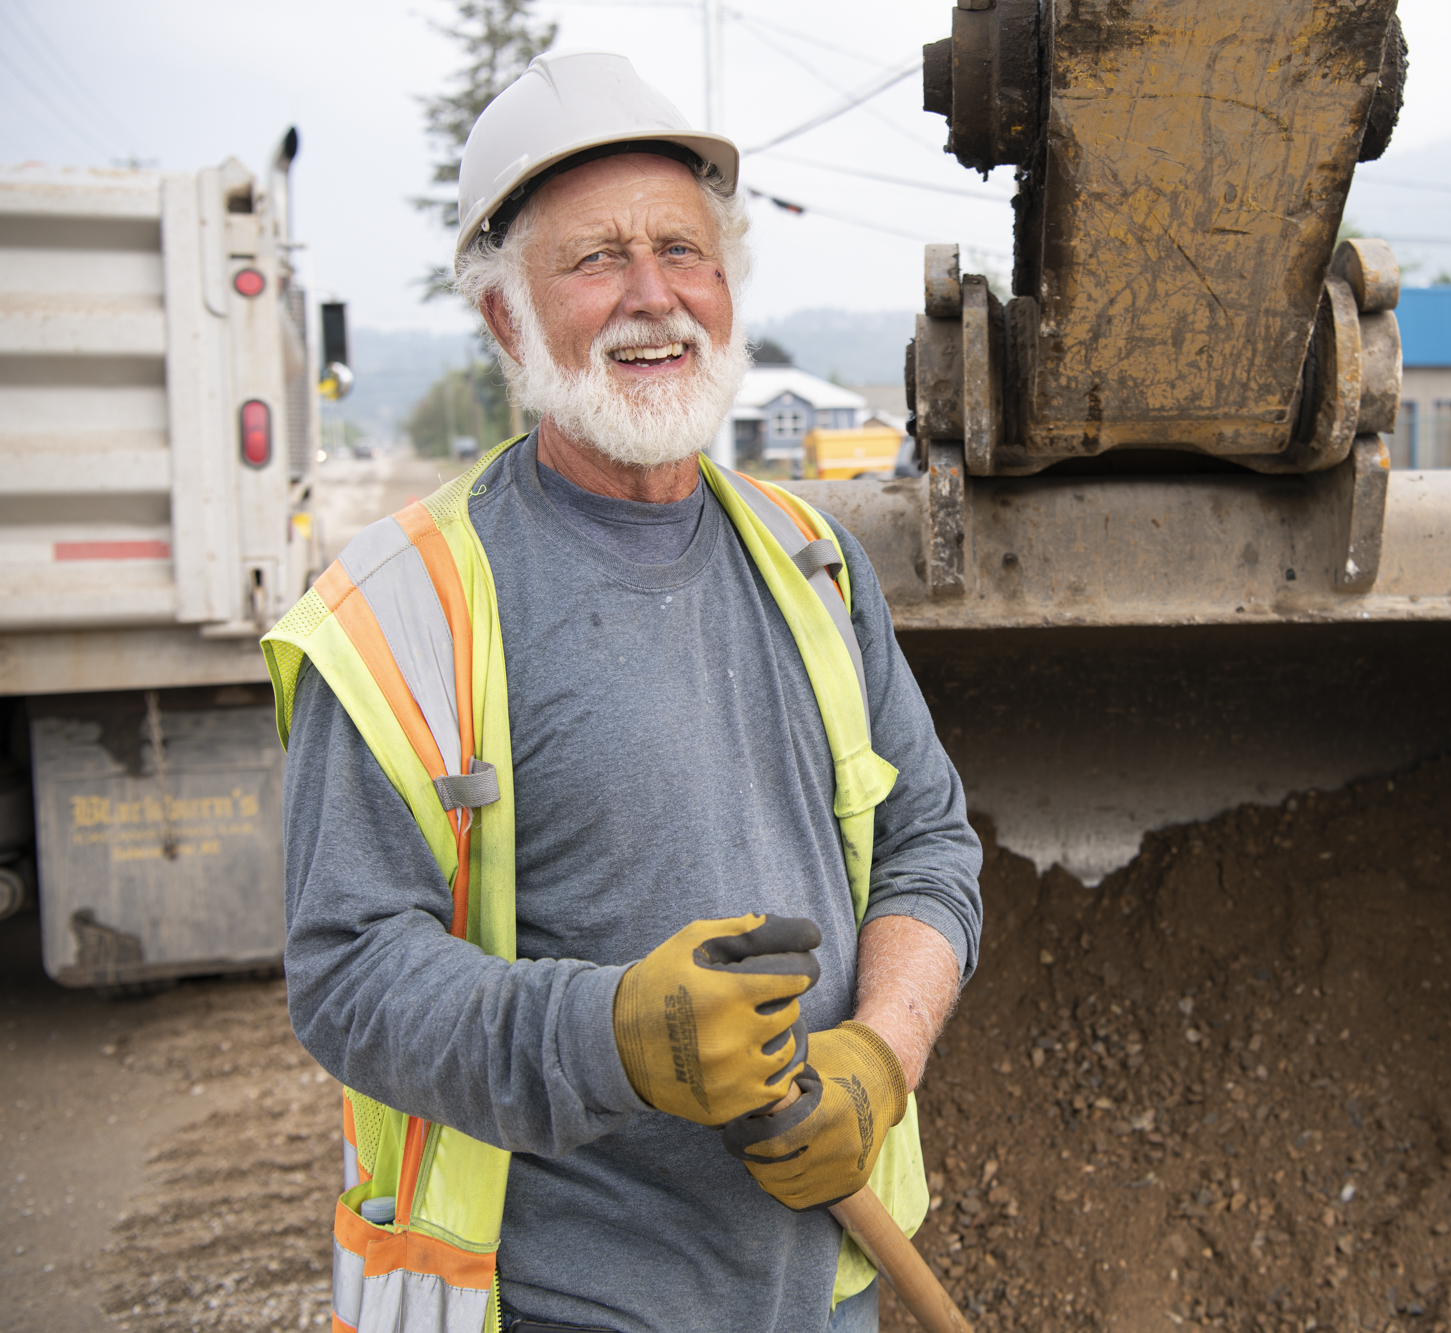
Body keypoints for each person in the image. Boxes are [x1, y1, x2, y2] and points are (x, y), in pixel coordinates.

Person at [269, 51, 983, 1333]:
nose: (653, 298)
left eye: (683, 251)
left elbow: (930, 844)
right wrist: (611, 1036)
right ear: (505, 318)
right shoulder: (405, 611)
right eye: (595, 259)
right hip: (561, 1303)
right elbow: (348, 971)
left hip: (823, 1291)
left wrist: (879, 1058)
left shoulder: (812, 562)